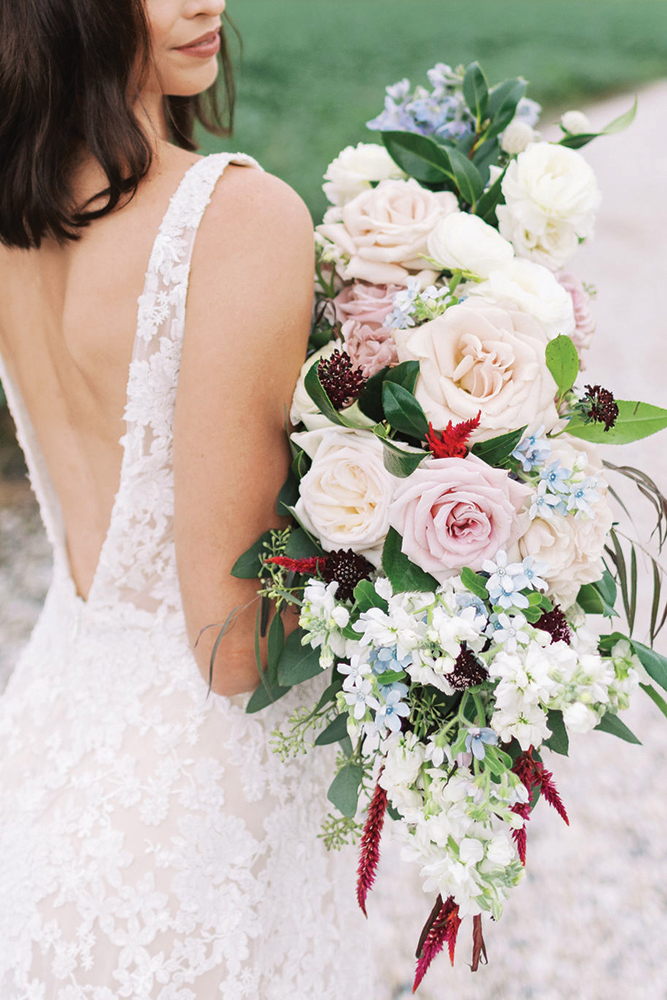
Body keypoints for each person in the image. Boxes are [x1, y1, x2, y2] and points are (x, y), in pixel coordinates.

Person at [0, 0, 375, 995]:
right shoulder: (235, 216)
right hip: (194, 816)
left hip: (43, 761)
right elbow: (234, 647)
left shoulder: (14, 218)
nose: (205, 0)